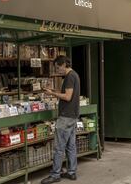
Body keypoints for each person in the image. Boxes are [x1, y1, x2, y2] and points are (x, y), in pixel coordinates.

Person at [41, 55, 80, 184]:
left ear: (64, 64)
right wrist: (55, 91)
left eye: (58, 68)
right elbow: (69, 93)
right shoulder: (75, 75)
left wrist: (52, 94)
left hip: (66, 116)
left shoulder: (69, 77)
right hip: (73, 115)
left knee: (59, 147)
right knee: (71, 146)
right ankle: (71, 172)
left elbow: (68, 97)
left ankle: (55, 174)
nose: (58, 70)